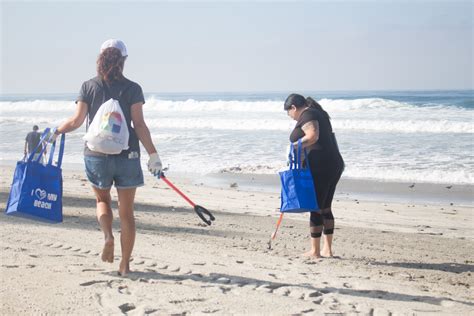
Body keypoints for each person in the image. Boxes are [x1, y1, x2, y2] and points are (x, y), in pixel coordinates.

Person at [48, 39, 163, 276]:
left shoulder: (89, 86)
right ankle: (124, 265)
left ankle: (108, 236)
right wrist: (153, 155)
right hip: (127, 155)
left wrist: (56, 132)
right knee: (127, 213)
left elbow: (76, 121)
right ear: (123, 61)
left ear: (100, 58)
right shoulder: (133, 88)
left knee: (102, 201)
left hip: (96, 155)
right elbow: (139, 125)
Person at [284, 93, 344, 258]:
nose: (290, 117)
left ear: (294, 107)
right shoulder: (318, 114)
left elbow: (313, 136)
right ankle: (327, 250)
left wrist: (295, 145)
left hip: (321, 167)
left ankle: (315, 251)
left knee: (316, 207)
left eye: (288, 112)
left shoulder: (308, 115)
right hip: (333, 164)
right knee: (325, 207)